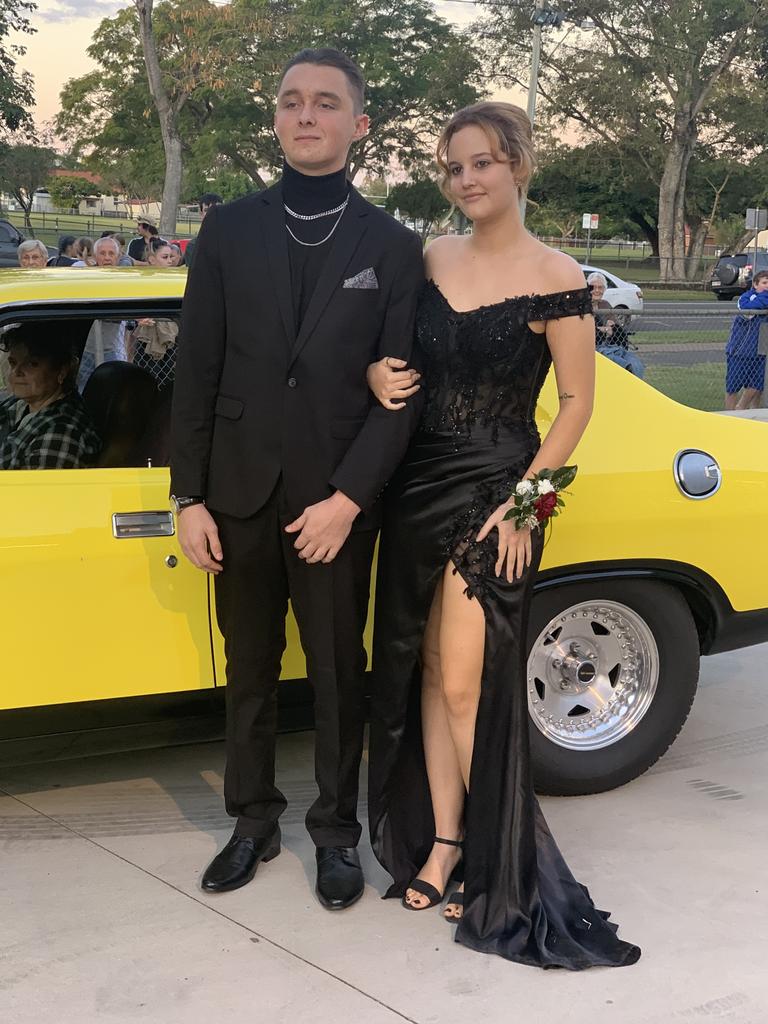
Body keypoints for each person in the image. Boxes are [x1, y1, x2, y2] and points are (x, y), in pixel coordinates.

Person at [365, 101, 640, 969]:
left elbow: (578, 404)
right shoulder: (429, 256)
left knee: (463, 685)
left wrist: (528, 502)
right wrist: (377, 369)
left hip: (498, 491)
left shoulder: (559, 276)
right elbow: (388, 345)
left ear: (518, 164)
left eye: (481, 162)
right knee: (420, 670)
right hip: (417, 482)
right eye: (452, 167)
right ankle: (443, 843)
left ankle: (496, 861)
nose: (466, 179)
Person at [170, 48, 424, 909]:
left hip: (334, 505)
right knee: (248, 669)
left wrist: (349, 501)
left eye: (325, 103)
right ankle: (252, 822)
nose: (304, 115)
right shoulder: (228, 229)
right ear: (275, 120)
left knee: (335, 676)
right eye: (289, 102)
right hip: (235, 495)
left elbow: (400, 395)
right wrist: (187, 496)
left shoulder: (392, 246)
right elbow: (196, 369)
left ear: (359, 125)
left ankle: (336, 833)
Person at [0, 323, 101, 469]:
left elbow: (34, 490)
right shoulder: (18, 404)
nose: (16, 371)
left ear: (61, 371)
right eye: (13, 363)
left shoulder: (61, 433)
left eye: (32, 364)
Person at [725, 269, 768, 410]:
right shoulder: (746, 298)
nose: (767, 286)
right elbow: (750, 308)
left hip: (759, 351)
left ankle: (741, 409)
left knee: (756, 386)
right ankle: (729, 415)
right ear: (755, 284)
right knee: (733, 387)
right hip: (740, 351)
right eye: (764, 283)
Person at [182, 192, 223, 271]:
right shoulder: (193, 246)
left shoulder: (233, 243)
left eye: (217, 209)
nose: (212, 213)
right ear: (201, 213)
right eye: (207, 210)